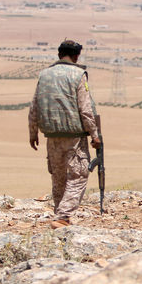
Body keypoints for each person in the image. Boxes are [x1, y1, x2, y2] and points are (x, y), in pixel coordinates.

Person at [29, 39, 101, 229]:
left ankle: (58, 216)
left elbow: (34, 106)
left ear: (59, 54)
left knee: (58, 177)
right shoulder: (78, 75)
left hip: (51, 135)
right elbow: (85, 108)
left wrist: (33, 131)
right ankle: (63, 216)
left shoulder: (44, 75)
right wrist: (94, 134)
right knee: (79, 175)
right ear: (76, 56)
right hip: (74, 136)